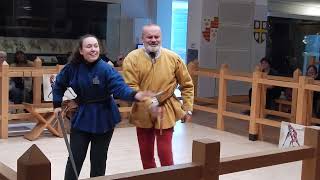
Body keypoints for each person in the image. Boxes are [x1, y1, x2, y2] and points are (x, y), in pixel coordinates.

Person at [52, 34, 153, 180]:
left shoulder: (106, 69)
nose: (93, 49)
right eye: (89, 46)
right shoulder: (72, 68)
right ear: (81, 51)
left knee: (98, 159)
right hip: (82, 115)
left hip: (104, 116)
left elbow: (120, 88)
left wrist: (135, 95)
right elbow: (59, 84)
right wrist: (56, 104)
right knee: (75, 157)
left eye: (96, 46)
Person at [122, 24, 194, 169]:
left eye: (157, 36)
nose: (153, 40)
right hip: (142, 109)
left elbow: (187, 85)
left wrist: (187, 108)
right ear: (142, 38)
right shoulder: (132, 58)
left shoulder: (173, 58)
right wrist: (150, 102)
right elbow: (130, 86)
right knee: (146, 154)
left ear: (161, 37)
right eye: (149, 37)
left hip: (166, 110)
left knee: (165, 154)